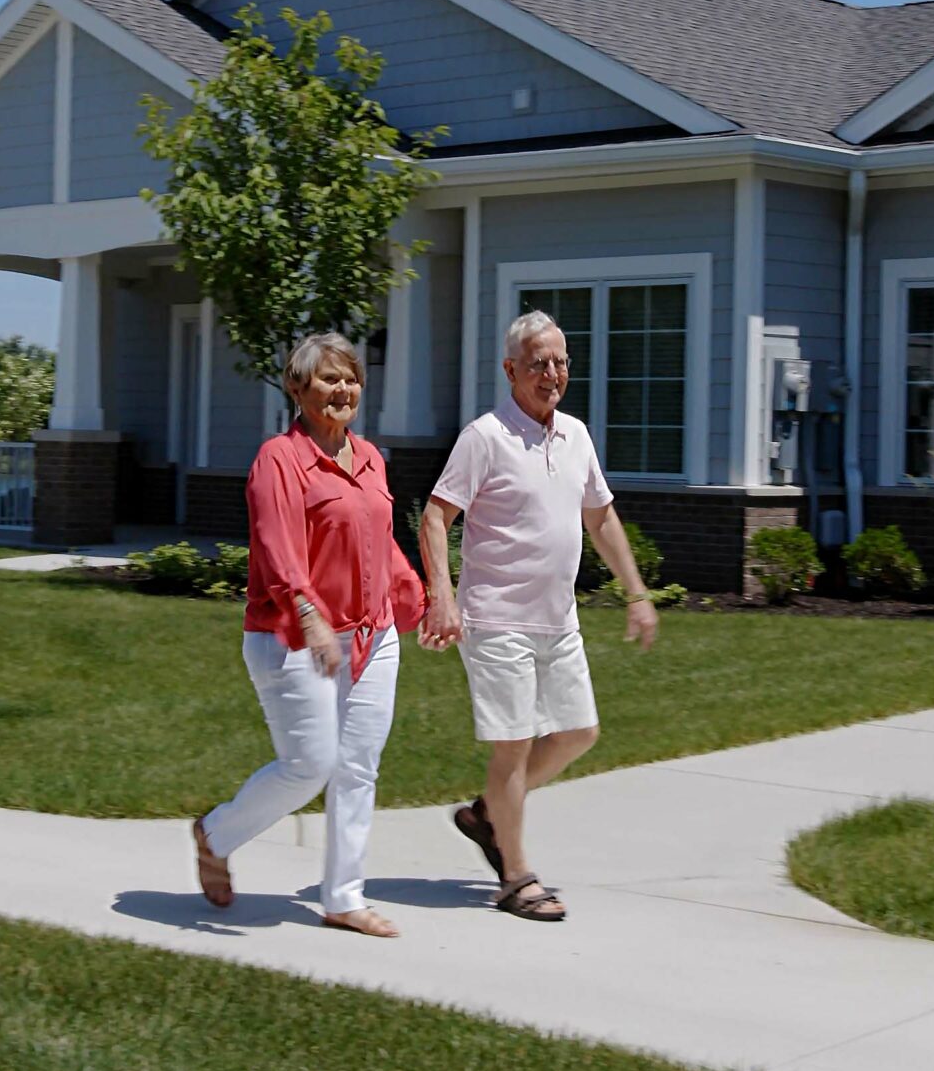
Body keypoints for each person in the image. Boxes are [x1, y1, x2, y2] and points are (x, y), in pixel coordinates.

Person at [418, 310, 657, 921]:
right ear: (510, 370)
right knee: (514, 748)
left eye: (560, 362)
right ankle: (516, 876)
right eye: (538, 363)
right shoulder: (485, 437)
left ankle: (487, 814)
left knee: (580, 733)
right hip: (496, 618)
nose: (551, 374)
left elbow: (599, 518)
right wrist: (441, 596)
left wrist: (636, 592)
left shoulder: (576, 436)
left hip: (558, 619)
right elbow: (435, 516)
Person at [192, 332, 425, 937]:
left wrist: (418, 597)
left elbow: (379, 541)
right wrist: (309, 611)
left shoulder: (371, 457)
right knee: (310, 764)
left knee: (358, 767)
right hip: (294, 635)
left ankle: (344, 896)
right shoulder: (279, 458)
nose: (343, 389)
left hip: (372, 636)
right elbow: (274, 544)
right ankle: (215, 835)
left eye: (350, 378)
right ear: (298, 389)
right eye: (328, 379)